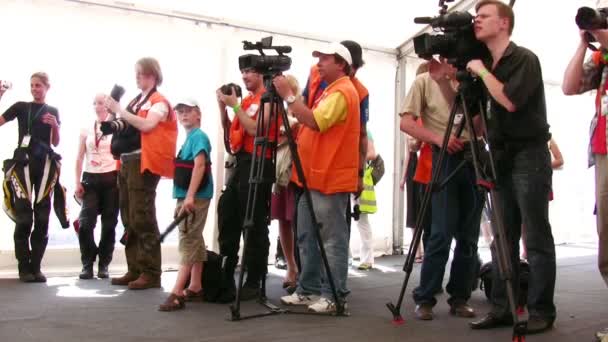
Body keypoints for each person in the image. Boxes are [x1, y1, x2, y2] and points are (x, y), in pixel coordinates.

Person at [467, 1, 555, 334]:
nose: (477, 20)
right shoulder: (485, 64)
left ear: (504, 23)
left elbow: (510, 101)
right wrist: (451, 80)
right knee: (501, 238)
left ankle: (541, 310)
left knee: (535, 236)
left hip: (529, 154)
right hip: (499, 154)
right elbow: (473, 118)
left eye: (484, 16)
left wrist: (481, 71)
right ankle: (503, 307)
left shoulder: (524, 59)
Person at [274, 42, 360, 313]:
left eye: (325, 58)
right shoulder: (331, 91)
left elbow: (315, 122)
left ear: (341, 64)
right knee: (307, 236)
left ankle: (334, 296)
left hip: (329, 179)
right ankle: (309, 289)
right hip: (313, 177)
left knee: (331, 239)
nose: (319, 63)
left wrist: (289, 96)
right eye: (319, 58)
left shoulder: (343, 91)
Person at [400, 56, 483, 321]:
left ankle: (459, 297)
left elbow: (481, 127)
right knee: (440, 233)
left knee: (469, 235)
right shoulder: (424, 81)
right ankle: (425, 297)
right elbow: (406, 122)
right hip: (443, 156)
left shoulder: (473, 81)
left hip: (474, 155)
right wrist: (438, 138)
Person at [105, 57, 177, 290]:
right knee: (128, 216)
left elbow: (147, 126)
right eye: (136, 74)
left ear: (153, 75)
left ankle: (151, 271)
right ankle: (135, 268)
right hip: (127, 161)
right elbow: (123, 124)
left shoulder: (160, 102)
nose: (137, 78)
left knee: (142, 215)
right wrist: (113, 113)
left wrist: (120, 111)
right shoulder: (137, 100)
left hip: (143, 162)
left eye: (141, 74)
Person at [562, 1, 608, 339]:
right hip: (603, 151)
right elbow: (569, 85)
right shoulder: (601, 58)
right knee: (606, 234)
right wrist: (584, 42)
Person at [216, 66, 275, 301]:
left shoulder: (268, 98)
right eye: (242, 71)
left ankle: (254, 279)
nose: (244, 76)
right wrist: (223, 106)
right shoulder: (247, 100)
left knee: (253, 221)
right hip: (241, 162)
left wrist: (235, 106)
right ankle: (227, 271)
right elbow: (231, 134)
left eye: (249, 71)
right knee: (227, 210)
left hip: (260, 161)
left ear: (261, 74)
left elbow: (255, 128)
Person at [0, 72, 61, 283]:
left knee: (43, 217)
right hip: (22, 164)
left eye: (38, 86)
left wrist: (55, 125)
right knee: (24, 217)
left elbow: (56, 142)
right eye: (32, 85)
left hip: (45, 164)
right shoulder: (20, 106)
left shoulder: (52, 111)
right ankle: (23, 267)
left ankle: (36, 267)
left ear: (47, 87)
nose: (35, 89)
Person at [159, 98, 213, 312]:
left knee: (188, 240)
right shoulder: (189, 138)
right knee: (195, 238)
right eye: (180, 111)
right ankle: (195, 285)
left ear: (198, 114)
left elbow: (199, 166)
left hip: (195, 197)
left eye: (188, 111)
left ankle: (176, 292)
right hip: (189, 195)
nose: (183, 115)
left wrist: (189, 197)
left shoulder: (199, 137)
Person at [74, 94, 119, 279]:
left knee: (109, 224)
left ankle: (104, 264)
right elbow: (79, 157)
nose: (98, 106)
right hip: (90, 179)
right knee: (85, 223)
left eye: (101, 103)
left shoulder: (116, 128)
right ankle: (87, 263)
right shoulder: (86, 129)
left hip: (111, 179)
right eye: (95, 103)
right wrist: (77, 182)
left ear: (108, 106)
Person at [271, 75, 301, 293]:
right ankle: (291, 266)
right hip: (280, 173)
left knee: (301, 221)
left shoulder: (301, 108)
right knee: (283, 219)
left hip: (298, 172)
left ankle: (304, 268)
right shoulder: (273, 111)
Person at [355, 129, 378, 270]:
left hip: (359, 177)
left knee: (362, 220)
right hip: (348, 176)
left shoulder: (365, 131)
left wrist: (355, 158)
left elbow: (371, 153)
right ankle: (348, 257)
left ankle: (367, 259)